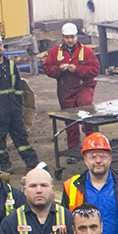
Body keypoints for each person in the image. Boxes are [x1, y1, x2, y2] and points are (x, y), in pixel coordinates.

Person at [0, 33, 39, 171]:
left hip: (13, 110)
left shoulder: (11, 65)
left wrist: (18, 106)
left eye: (0, 45)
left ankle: (33, 163)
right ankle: (4, 166)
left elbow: (18, 87)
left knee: (21, 138)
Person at [41, 22, 101, 159]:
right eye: (67, 37)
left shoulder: (86, 51)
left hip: (83, 88)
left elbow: (95, 69)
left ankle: (93, 148)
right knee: (70, 121)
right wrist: (58, 70)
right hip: (65, 90)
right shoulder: (56, 52)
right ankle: (73, 151)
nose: (70, 40)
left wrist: (77, 70)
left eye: (72, 37)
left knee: (87, 117)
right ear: (63, 37)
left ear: (76, 36)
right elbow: (47, 68)